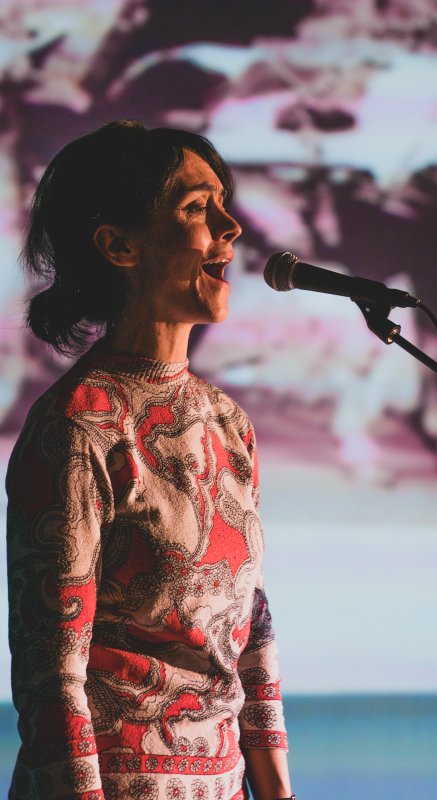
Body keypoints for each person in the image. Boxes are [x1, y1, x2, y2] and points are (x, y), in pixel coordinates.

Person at [6, 121, 294, 800]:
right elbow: (53, 680)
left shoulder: (227, 422)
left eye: (224, 204)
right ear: (117, 246)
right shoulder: (80, 427)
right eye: (196, 208)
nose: (231, 227)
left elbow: (249, 624)